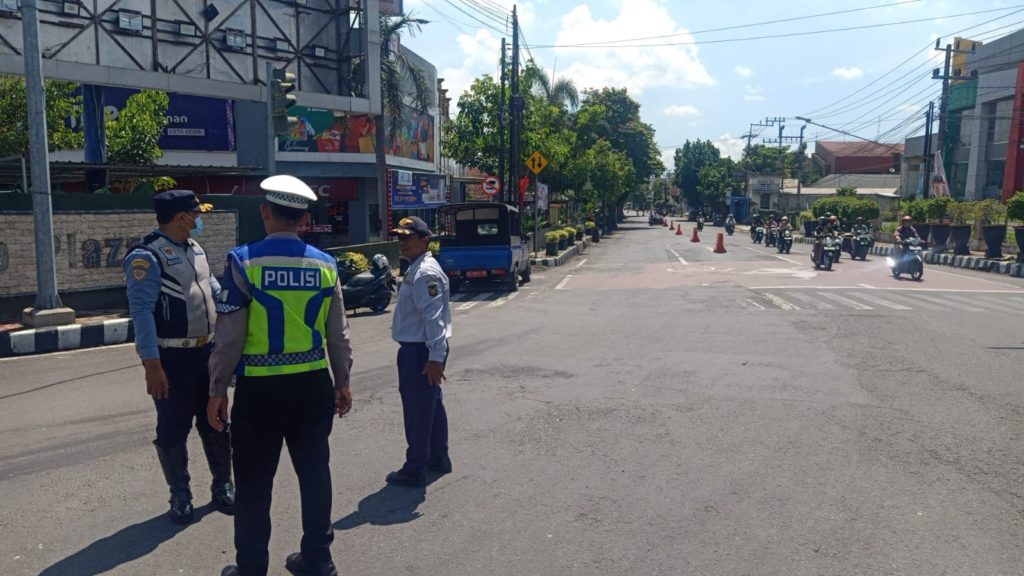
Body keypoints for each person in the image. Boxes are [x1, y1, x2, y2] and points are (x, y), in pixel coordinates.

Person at [207, 175, 353, 576]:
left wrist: (217, 389)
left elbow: (230, 336)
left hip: (261, 388)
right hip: (313, 385)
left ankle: (252, 567)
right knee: (315, 474)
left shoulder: (244, 261)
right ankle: (318, 559)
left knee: (254, 483)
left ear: (265, 212)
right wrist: (342, 381)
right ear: (304, 219)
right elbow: (338, 334)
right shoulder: (326, 265)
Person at [123, 190, 234, 526]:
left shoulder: (195, 248)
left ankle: (223, 485)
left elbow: (212, 287)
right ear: (181, 217)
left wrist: (234, 307)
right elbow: (141, 312)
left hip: (208, 353)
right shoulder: (146, 256)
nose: (199, 219)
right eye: (195, 214)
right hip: (172, 358)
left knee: (216, 421)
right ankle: (181, 494)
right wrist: (151, 365)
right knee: (173, 428)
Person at [387, 216, 454, 488]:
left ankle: (414, 469)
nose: (401, 243)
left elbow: (433, 317)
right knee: (431, 406)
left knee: (417, 410)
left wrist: (435, 357)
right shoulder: (417, 268)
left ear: (424, 240)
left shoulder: (424, 273)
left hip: (420, 351)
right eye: (399, 238)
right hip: (422, 348)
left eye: (408, 238)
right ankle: (438, 458)